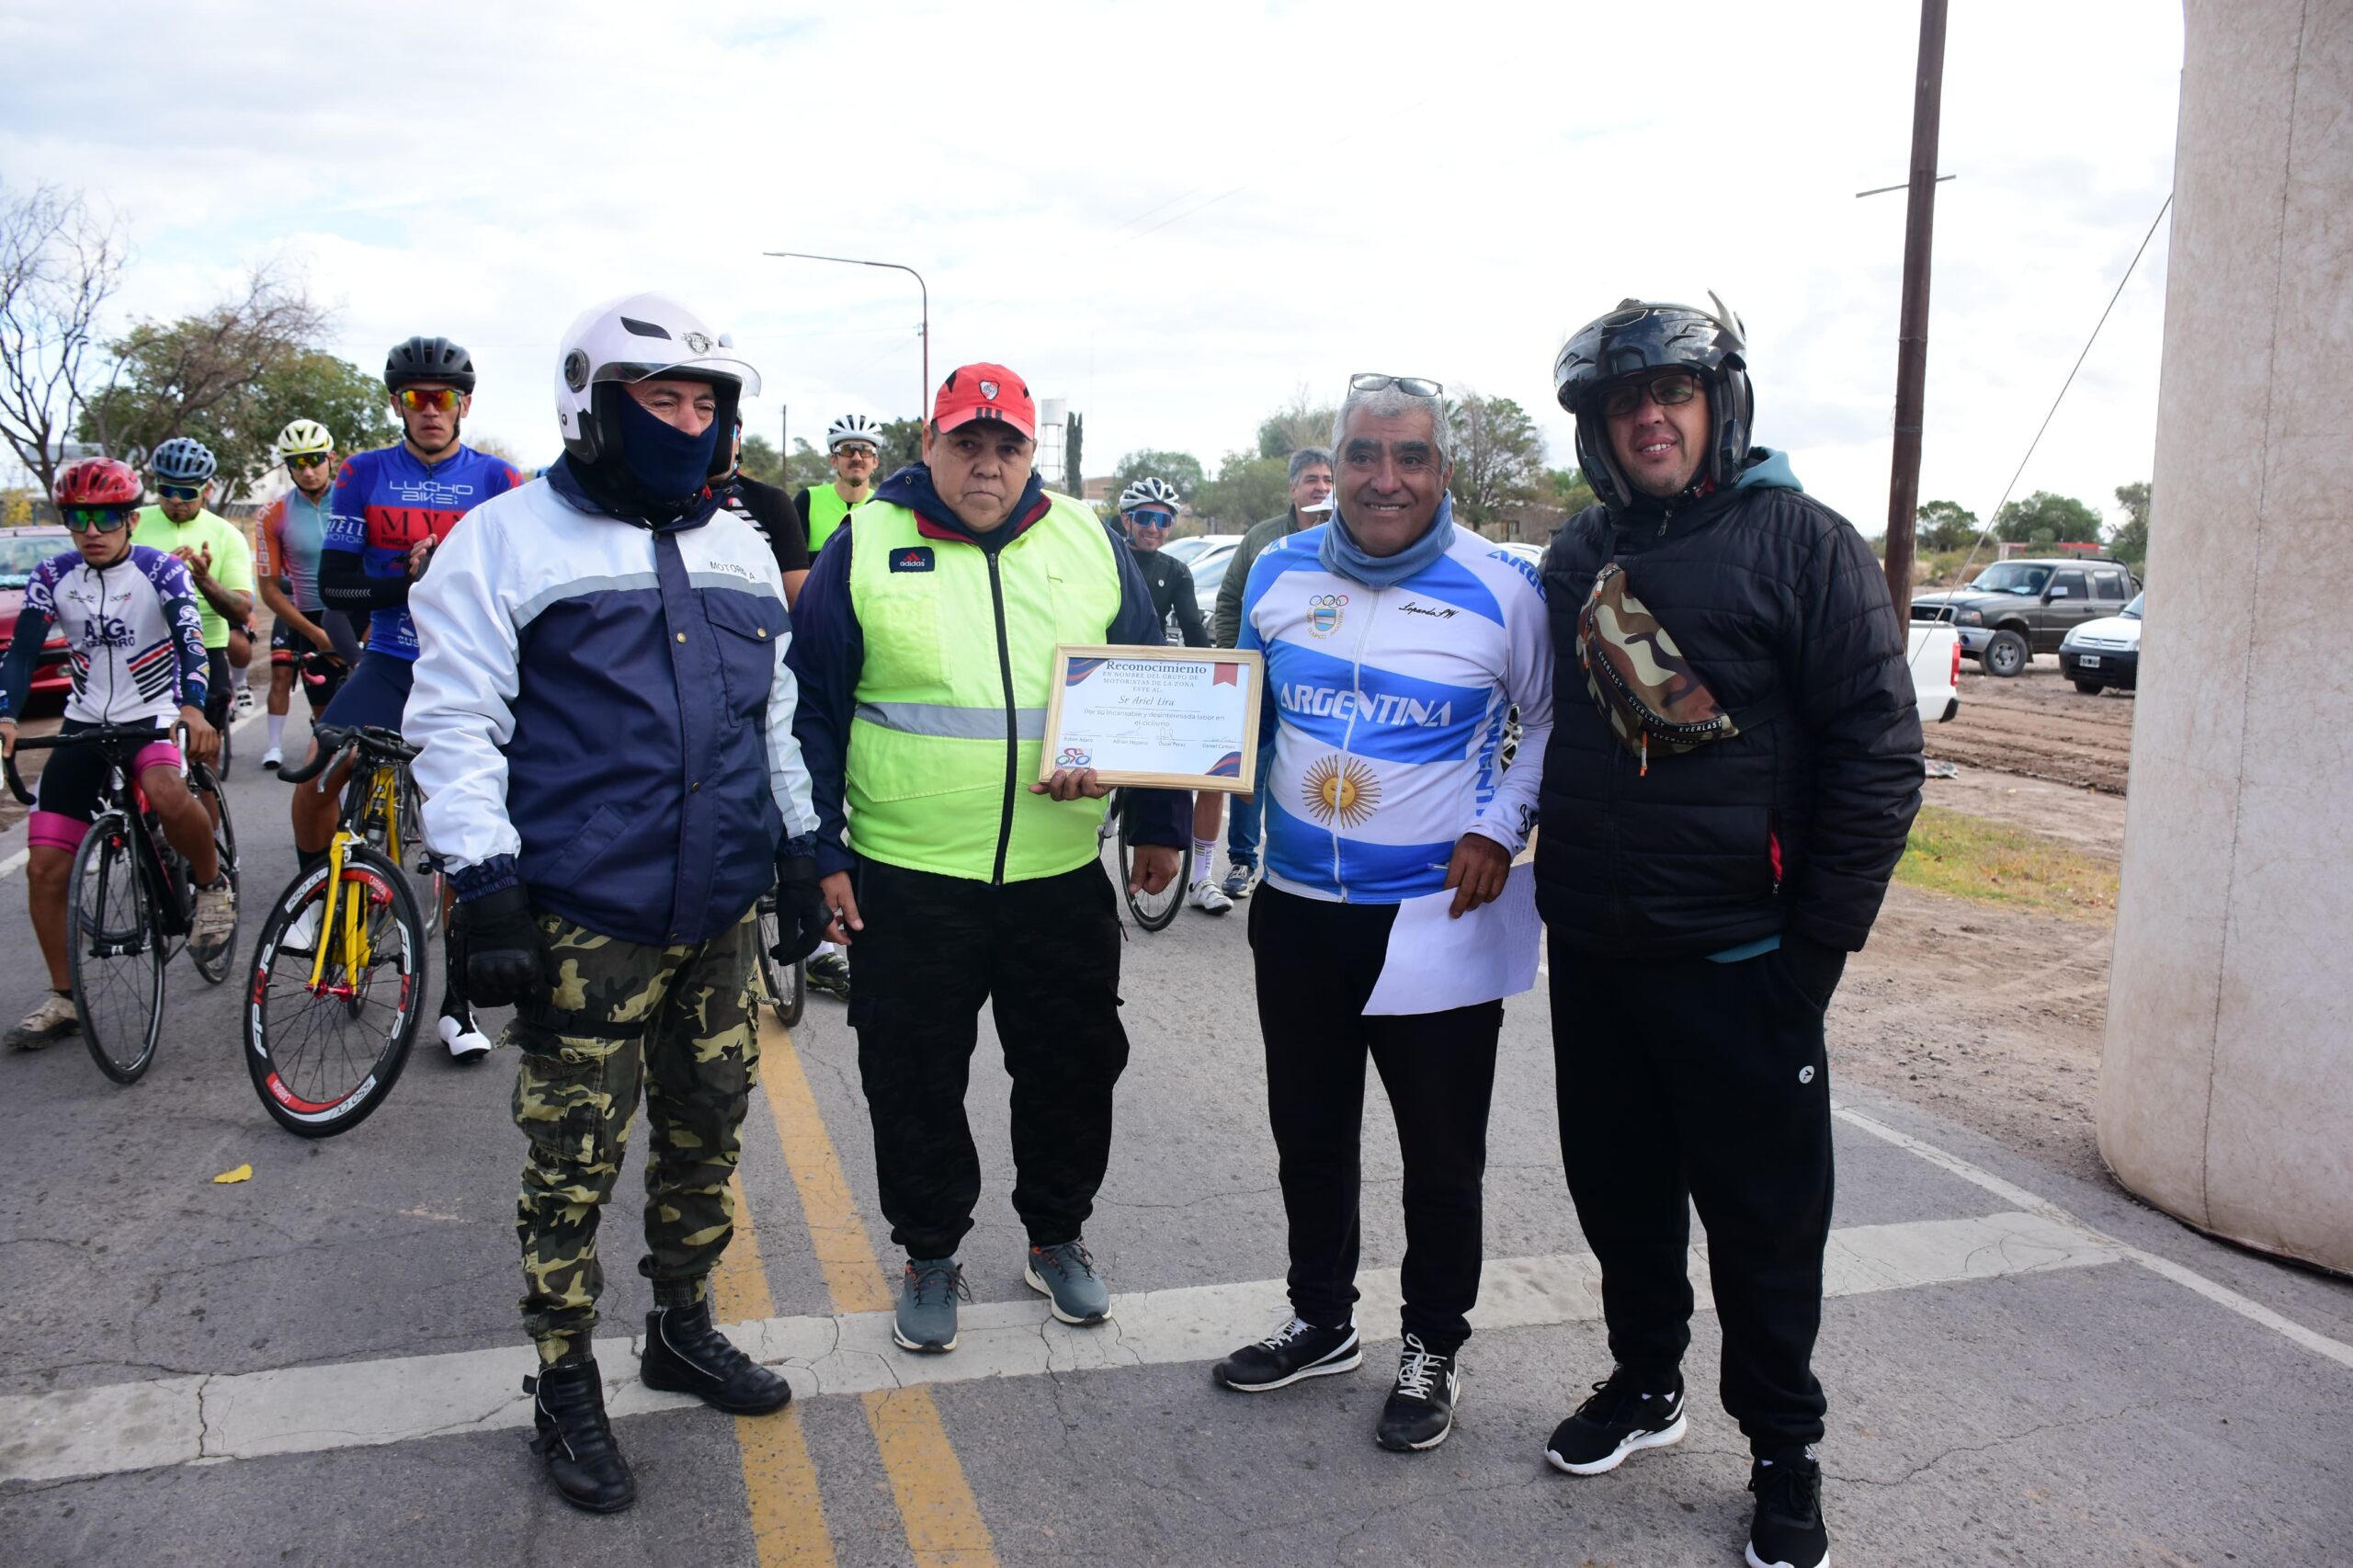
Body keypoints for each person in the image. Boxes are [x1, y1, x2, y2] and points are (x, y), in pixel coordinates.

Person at [406, 292, 826, 1516]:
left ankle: (681, 1326)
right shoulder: (501, 541)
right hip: (586, 915)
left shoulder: (739, 545)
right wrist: (487, 885)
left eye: (705, 404)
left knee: (707, 1132)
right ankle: (562, 1377)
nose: (687, 423)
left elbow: (775, 715)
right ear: (591, 407)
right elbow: (456, 721)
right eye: (661, 400)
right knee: (573, 1161)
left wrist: (799, 847)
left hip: (719, 910)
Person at [1535, 298, 1923, 1568]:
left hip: (1744, 960)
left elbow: (1879, 754)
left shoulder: (1804, 543)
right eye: (1624, 401)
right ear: (1598, 427)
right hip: (1597, 955)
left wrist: (1814, 954)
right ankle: (1646, 1381)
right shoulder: (1579, 550)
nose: (1649, 416)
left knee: (1764, 1227)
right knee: (1621, 1199)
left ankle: (1782, 1448)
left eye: (1673, 393)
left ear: (1718, 405)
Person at [787, 362, 1188, 1356]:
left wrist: (1158, 820)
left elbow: (1150, 683)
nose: (987, 464)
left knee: (1072, 1068)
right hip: (908, 877)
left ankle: (1056, 1234)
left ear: (1029, 454)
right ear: (931, 445)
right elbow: (811, 709)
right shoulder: (866, 541)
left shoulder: (1088, 539)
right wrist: (818, 850)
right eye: (967, 443)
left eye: (1007, 447)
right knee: (912, 1077)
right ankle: (929, 1252)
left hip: (1057, 877)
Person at [1211, 375, 1552, 1454]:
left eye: (1410, 456)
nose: (1385, 477)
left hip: (1433, 919)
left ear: (1442, 471)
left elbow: (1547, 720)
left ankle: (1431, 1345)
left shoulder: (1503, 586)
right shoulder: (1276, 570)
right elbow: (1235, 716)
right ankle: (1320, 1318)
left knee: (1441, 1156)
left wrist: (1498, 824)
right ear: (1335, 465)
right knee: (1309, 1136)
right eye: (1364, 453)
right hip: (1298, 910)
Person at [301, 335, 524, 1063]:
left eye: (444, 398)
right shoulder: (362, 472)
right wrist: (409, 582)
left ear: (465, 405)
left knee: (466, 835)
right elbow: (336, 587)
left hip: (465, 670)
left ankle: (457, 1005)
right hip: (393, 661)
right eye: (416, 398)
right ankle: (318, 899)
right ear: (397, 404)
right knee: (315, 775)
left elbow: (520, 582)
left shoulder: (498, 478)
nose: (431, 410)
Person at [2, 459, 233, 1048]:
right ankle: (64, 997)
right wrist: (6, 715)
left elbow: (190, 643)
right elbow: (22, 654)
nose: (91, 530)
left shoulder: (160, 571)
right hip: (84, 719)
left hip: (152, 712)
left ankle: (211, 887)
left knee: (164, 791)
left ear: (130, 519)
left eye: (105, 517)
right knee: (44, 866)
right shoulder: (53, 575)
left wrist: (193, 708)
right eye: (77, 519)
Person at [1211, 445, 1334, 899]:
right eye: (1312, 480)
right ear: (1293, 488)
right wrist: (1237, 660)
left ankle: (1306, 864)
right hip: (1260, 679)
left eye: (1328, 480)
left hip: (1317, 684)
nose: (1321, 487)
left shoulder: (1349, 537)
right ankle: (1242, 861)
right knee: (1251, 770)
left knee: (1313, 769)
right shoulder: (1262, 539)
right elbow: (1230, 601)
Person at [1117, 475, 1233, 916]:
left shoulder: (1176, 570)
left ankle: (1201, 877)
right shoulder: (1108, 556)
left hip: (1151, 675)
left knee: (1193, 757)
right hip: (1107, 671)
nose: (1153, 528)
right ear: (1126, 519)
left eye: (1163, 520)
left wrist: (1216, 677)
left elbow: (1194, 631)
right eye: (1145, 518)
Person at [131, 437, 255, 761]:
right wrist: (161, 576)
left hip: (206, 648)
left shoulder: (227, 534)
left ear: (207, 489)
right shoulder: (133, 523)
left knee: (204, 755)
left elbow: (242, 611)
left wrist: (205, 581)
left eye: (186, 493)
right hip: (141, 651)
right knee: (134, 752)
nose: (175, 500)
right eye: (166, 490)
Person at [254, 420, 363, 768]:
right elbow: (269, 588)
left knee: (375, 719)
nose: (308, 471)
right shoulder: (273, 514)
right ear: (288, 467)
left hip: (362, 613)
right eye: (297, 464)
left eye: (315, 460)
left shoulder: (357, 501)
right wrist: (315, 634)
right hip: (311, 621)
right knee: (327, 726)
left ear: (332, 458)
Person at [715, 416, 811, 606]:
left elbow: (799, 602)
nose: (719, 441)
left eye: (728, 431)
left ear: (738, 440)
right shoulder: (665, 501)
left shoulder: (772, 501)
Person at [793, 413, 883, 555]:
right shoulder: (807, 500)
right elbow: (795, 562)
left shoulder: (883, 506)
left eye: (865, 450)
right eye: (847, 450)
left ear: (875, 461)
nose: (857, 458)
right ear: (833, 460)